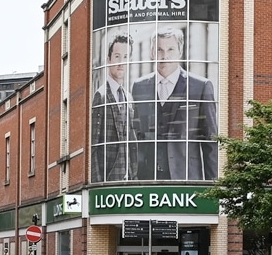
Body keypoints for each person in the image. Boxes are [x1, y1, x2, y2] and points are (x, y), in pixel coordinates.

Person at [130, 27, 218, 181]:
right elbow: (135, 135)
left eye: (170, 49)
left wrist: (213, 187)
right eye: (159, 50)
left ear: (180, 51)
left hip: (186, 177)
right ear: (151, 53)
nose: (165, 56)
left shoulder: (200, 86)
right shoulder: (139, 86)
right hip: (147, 178)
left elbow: (210, 140)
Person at [92, 32, 134, 182]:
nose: (121, 62)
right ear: (108, 59)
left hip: (128, 178)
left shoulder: (128, 97)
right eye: (117, 56)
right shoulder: (100, 96)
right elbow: (94, 146)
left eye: (125, 57)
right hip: (108, 179)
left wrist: (133, 173)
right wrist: (97, 183)